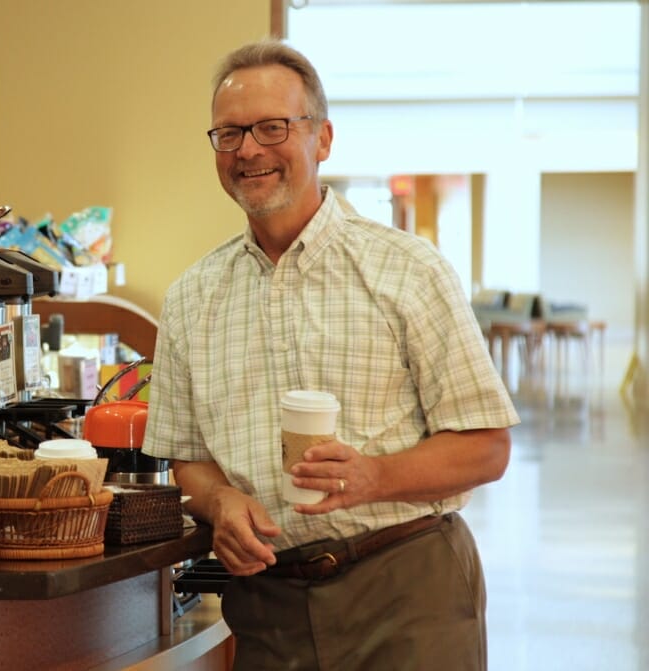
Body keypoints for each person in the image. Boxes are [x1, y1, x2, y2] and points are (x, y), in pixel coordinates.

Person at [142, 39, 519, 671]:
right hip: (269, 607)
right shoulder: (191, 297)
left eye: (272, 127)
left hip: (407, 588)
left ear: (322, 139)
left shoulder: (408, 270)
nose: (249, 150)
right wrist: (222, 503)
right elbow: (190, 460)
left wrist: (374, 475)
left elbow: (487, 446)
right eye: (230, 133)